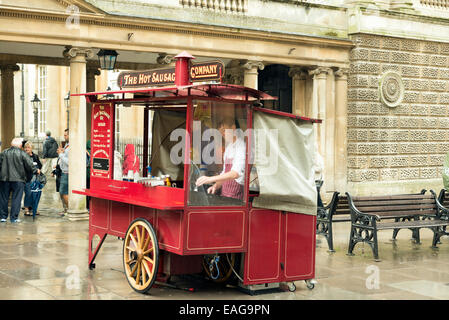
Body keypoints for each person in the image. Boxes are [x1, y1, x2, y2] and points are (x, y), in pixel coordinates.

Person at [195, 118, 246, 200]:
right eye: (220, 131)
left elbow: (235, 174)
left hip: (236, 197)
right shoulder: (229, 147)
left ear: (233, 128)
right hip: (224, 193)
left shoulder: (241, 147)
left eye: (224, 130)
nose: (222, 133)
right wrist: (216, 185)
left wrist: (210, 179)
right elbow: (225, 172)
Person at [0, 137, 38, 223]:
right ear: (21, 145)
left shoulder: (4, 153)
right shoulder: (22, 154)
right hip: (18, 180)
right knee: (16, 198)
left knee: (3, 198)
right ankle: (14, 217)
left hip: (4, 179)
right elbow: (30, 166)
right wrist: (36, 171)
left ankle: (3, 217)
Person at [22, 141, 42, 216]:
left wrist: (38, 168)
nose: (26, 149)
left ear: (32, 148)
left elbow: (40, 165)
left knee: (35, 193)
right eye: (25, 147)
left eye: (28, 147)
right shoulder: (23, 156)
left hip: (35, 178)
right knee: (28, 193)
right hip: (26, 178)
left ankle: (34, 209)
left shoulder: (35, 156)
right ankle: (26, 209)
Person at [57, 129, 69, 217]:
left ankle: (68, 210)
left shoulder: (71, 147)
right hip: (63, 171)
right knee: (62, 192)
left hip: (67, 172)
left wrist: (61, 154)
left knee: (64, 192)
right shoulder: (67, 145)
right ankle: (65, 209)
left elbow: (69, 162)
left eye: (66, 135)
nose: (64, 137)